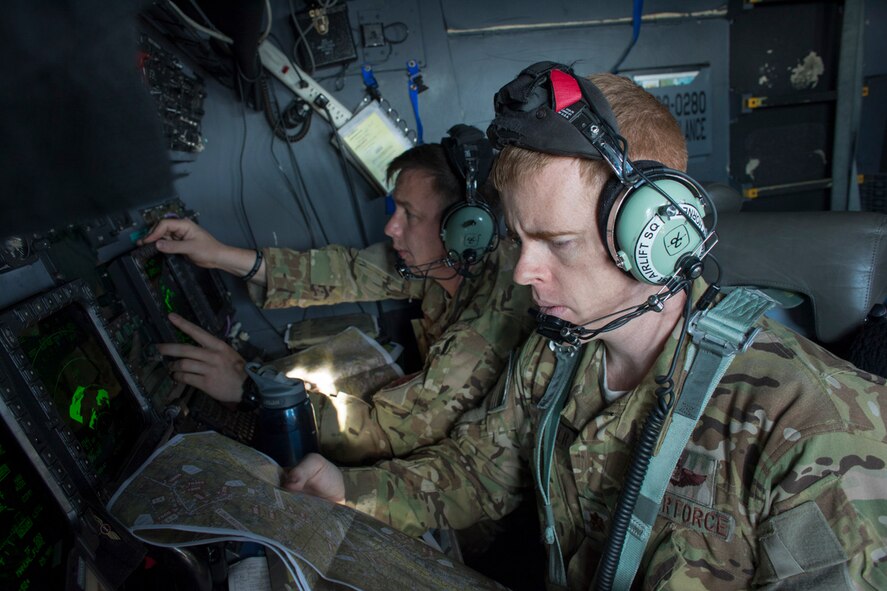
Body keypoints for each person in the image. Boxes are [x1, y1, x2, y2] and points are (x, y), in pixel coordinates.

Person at [284, 63, 887, 590]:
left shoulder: (814, 431)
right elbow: (479, 473)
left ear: (656, 238)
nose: (522, 272)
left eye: (558, 242)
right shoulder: (557, 351)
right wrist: (347, 490)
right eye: (519, 239)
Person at [140, 136, 534, 465]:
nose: (391, 227)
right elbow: (348, 270)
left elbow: (379, 434)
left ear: (464, 230)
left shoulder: (483, 335)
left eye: (409, 215)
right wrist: (218, 254)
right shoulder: (453, 263)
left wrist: (251, 390)